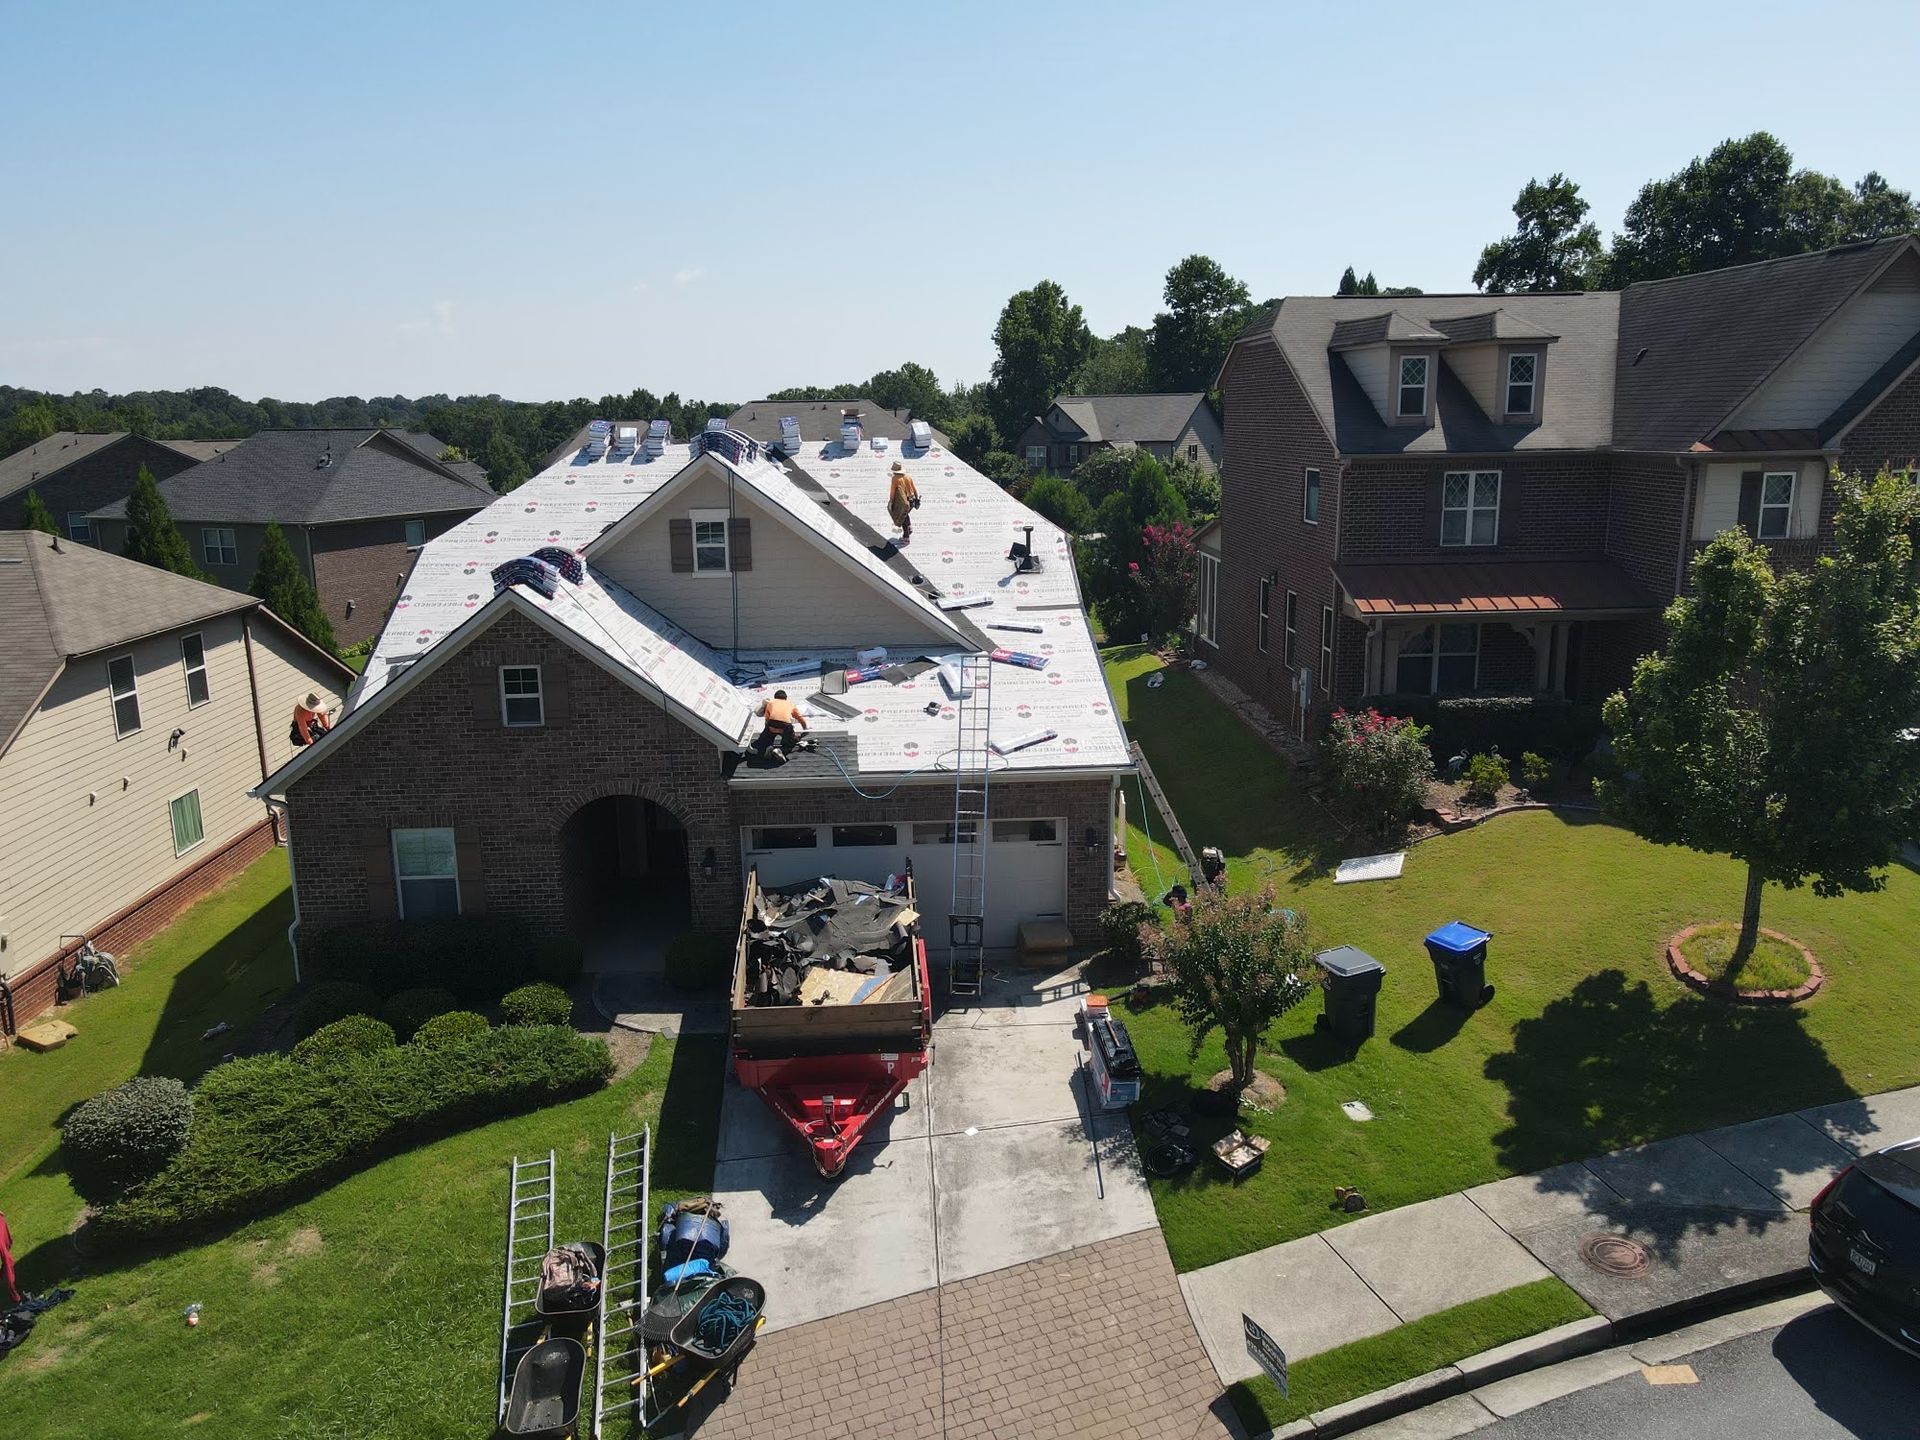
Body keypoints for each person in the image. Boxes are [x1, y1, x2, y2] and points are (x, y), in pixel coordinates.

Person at [750, 689, 809, 763]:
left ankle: (768, 747)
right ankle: (780, 750)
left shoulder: (770, 703)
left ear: (775, 697)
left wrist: (767, 731)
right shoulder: (791, 704)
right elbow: (800, 718)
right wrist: (805, 728)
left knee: (763, 740)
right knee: (791, 742)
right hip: (785, 726)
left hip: (772, 724)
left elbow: (767, 719)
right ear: (786, 698)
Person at [886, 460, 920, 544]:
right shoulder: (908, 477)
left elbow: (893, 491)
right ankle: (909, 527)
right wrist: (917, 498)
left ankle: (906, 537)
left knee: (902, 518)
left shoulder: (895, 479)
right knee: (906, 514)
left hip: (903, 502)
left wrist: (891, 502)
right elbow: (914, 489)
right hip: (911, 500)